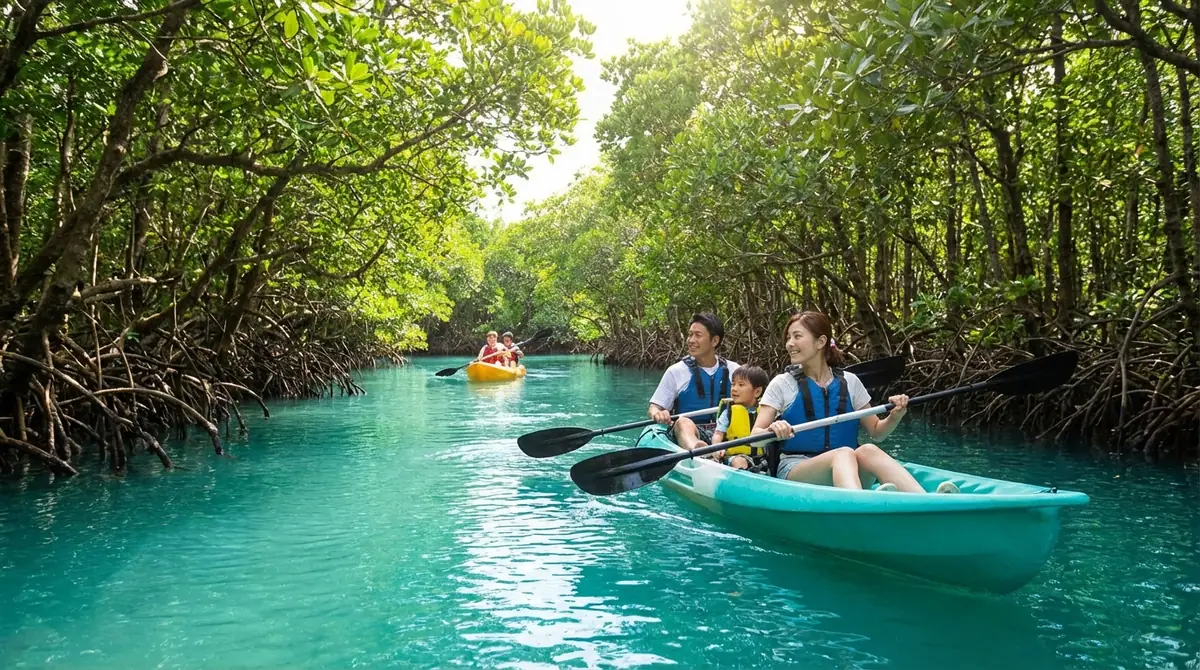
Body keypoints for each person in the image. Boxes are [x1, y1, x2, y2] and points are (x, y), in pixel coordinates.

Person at [751, 310, 959, 494]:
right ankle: (859, 505)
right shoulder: (782, 384)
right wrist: (772, 428)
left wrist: (896, 415)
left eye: (797, 336)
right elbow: (755, 437)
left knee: (867, 450)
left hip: (847, 465)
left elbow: (877, 432)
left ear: (820, 342)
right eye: (788, 338)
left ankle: (923, 500)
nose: (790, 344)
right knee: (843, 453)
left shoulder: (850, 382)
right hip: (797, 467)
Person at [647, 312, 741, 450]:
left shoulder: (735, 371)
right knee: (682, 422)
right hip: (692, 433)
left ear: (715, 341)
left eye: (698, 335)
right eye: (690, 334)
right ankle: (700, 452)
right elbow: (654, 407)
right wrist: (658, 413)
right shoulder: (676, 371)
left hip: (727, 433)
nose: (690, 340)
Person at [707, 365, 770, 471]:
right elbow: (718, 434)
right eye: (733, 384)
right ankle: (744, 478)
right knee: (739, 461)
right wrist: (717, 448)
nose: (734, 389)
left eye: (741, 385)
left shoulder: (766, 411)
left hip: (761, 458)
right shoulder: (729, 412)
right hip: (734, 457)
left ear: (757, 392)